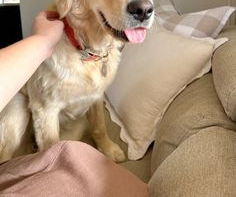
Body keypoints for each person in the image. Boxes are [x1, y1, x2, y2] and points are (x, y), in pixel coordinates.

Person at [0, 11, 148, 196]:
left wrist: (102, 138)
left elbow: (96, 97)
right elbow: (44, 108)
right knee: (14, 117)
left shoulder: (108, 51)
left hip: (69, 116)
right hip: (29, 103)